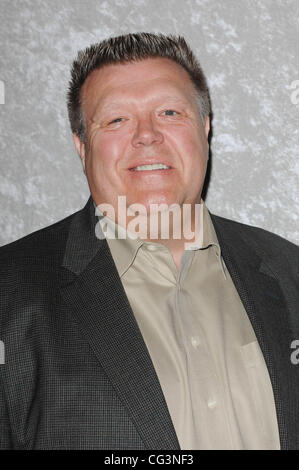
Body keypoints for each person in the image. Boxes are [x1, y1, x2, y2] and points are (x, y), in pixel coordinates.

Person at [0, 32, 298, 450]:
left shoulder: (291, 273)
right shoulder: (8, 295)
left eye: (170, 112)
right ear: (82, 147)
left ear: (205, 129)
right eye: (117, 119)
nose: (146, 135)